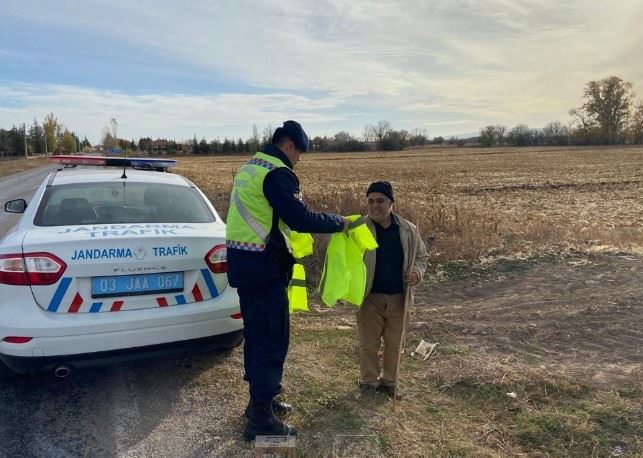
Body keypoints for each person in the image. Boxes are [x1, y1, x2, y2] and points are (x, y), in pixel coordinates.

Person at [226, 120, 349, 440]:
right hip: (266, 271)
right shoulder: (277, 172)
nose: (299, 161)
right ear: (290, 145)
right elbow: (298, 217)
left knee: (256, 337)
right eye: (300, 154)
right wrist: (339, 223)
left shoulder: (249, 168)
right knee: (271, 342)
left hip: (244, 267)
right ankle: (260, 421)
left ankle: (258, 403)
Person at [358, 181, 428, 399]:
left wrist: (417, 273)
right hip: (369, 298)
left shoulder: (408, 230)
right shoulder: (360, 230)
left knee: (395, 343)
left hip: (400, 298)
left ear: (391, 203)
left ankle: (390, 382)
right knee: (368, 343)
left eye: (380, 201)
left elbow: (421, 257)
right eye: (370, 201)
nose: (374, 206)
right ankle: (369, 382)